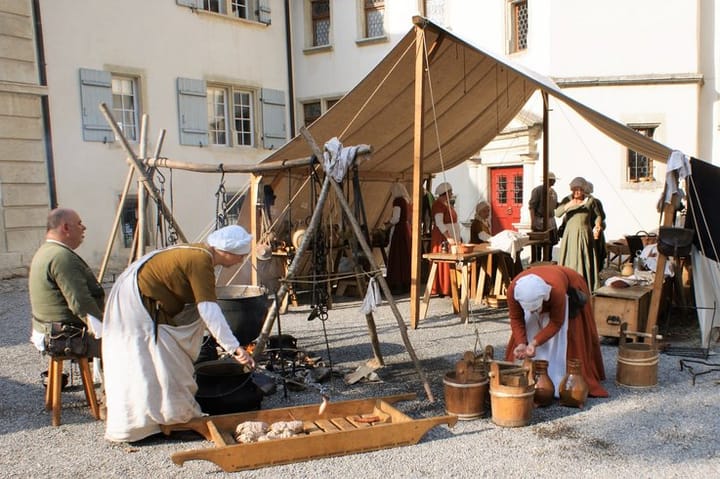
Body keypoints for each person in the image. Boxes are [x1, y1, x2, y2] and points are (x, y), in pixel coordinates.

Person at [102, 225, 256, 442]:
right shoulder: (200, 261)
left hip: (137, 302)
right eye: (239, 256)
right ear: (226, 252)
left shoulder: (197, 253)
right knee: (152, 365)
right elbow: (209, 310)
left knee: (154, 364)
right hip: (137, 308)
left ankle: (163, 420)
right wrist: (234, 348)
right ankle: (166, 422)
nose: (240, 261)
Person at [504, 265, 608, 398]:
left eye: (535, 308)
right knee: (530, 323)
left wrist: (535, 343)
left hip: (569, 284)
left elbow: (556, 323)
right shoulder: (514, 290)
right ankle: (536, 377)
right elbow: (516, 318)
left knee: (569, 334)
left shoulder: (556, 290)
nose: (533, 312)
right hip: (544, 288)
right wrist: (521, 343)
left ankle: (559, 379)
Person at [28, 208, 103, 358]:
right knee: (134, 343)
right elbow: (80, 303)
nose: (84, 227)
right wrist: (106, 329)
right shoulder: (61, 257)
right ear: (66, 227)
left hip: (49, 330)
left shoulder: (46, 251)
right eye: (79, 223)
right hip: (66, 336)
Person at [554, 176, 604, 291]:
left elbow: (598, 215)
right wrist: (568, 205)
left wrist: (597, 225)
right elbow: (557, 213)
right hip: (570, 235)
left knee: (585, 259)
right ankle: (570, 283)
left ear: (584, 189)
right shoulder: (567, 200)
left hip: (585, 233)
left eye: (580, 189)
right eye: (574, 189)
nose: (577, 192)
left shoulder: (590, 200)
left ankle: (585, 284)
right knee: (570, 259)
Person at [430, 182, 461, 296]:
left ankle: (450, 285)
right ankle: (443, 287)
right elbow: (439, 223)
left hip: (449, 236)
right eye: (450, 192)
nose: (452, 193)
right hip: (442, 237)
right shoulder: (438, 205)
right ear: (445, 193)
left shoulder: (446, 204)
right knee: (444, 260)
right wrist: (448, 237)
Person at [385, 182, 412, 293]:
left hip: (399, 231)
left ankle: (397, 283)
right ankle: (405, 282)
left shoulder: (398, 201)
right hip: (405, 229)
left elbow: (396, 218)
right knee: (404, 256)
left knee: (397, 257)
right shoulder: (405, 201)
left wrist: (388, 224)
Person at [528, 172, 559, 261]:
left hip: (551, 221)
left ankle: (548, 261)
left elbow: (554, 205)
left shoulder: (553, 192)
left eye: (554, 180)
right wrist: (533, 221)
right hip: (540, 220)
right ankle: (537, 262)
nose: (553, 182)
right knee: (538, 244)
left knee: (550, 244)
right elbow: (532, 206)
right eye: (551, 180)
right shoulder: (537, 190)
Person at [585, 181, 607, 270]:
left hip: (594, 231)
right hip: (591, 231)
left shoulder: (595, 202)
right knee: (595, 253)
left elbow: (601, 216)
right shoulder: (594, 201)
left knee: (595, 253)